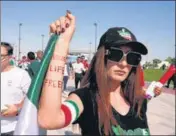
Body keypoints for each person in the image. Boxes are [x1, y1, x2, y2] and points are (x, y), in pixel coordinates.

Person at [38, 11, 162, 135]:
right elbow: (49, 119)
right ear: (101, 57)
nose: (124, 64)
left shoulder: (138, 101)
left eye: (132, 57)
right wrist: (62, 46)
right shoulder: (85, 98)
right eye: (116, 54)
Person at [1, 42, 31, 135]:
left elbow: (31, 97)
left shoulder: (21, 75)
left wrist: (18, 108)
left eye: (1, 56)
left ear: (10, 56)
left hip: (12, 128)